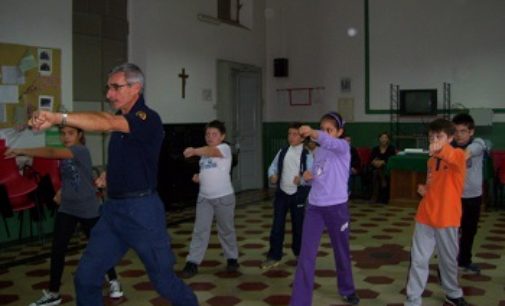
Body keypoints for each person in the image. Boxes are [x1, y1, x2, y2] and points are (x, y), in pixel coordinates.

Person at [27, 63, 198, 306]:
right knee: (86, 278)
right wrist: (110, 174)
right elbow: (129, 153)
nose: (109, 94)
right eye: (108, 88)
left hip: (142, 212)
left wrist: (57, 117)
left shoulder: (146, 117)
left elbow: (106, 122)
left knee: (163, 281)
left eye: (115, 88)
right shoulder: (121, 121)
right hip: (113, 212)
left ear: (135, 88)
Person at [5, 126, 123, 306]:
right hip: (67, 208)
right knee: (57, 250)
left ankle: (113, 281)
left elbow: (51, 151)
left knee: (100, 247)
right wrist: (61, 191)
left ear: (80, 135)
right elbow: (72, 177)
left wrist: (22, 149)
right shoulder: (64, 156)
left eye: (71, 133)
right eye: (63, 133)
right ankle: (53, 293)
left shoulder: (80, 150)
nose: (66, 137)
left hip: (87, 208)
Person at [290, 112, 360, 306]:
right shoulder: (318, 152)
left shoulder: (343, 147)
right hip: (314, 208)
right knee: (306, 255)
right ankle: (299, 302)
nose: (325, 133)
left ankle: (347, 289)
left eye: (330, 130)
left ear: (339, 132)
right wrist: (306, 177)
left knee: (341, 250)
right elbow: (318, 177)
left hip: (337, 207)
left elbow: (330, 142)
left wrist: (313, 132)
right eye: (323, 129)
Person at [405, 118, 468, 306]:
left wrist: (441, 148)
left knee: (448, 261)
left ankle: (453, 293)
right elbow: (435, 184)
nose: (434, 140)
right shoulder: (431, 161)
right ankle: (413, 299)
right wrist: (426, 189)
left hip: (447, 218)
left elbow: (451, 158)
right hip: (425, 216)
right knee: (418, 260)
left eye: (439, 136)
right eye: (431, 136)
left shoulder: (457, 155)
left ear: (450, 138)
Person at [180, 120, 239, 278]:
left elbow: (212, 152)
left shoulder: (224, 148)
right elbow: (211, 169)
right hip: (204, 198)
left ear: (222, 136)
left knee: (226, 230)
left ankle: (232, 258)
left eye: (214, 134)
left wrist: (193, 151)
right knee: (200, 230)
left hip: (223, 197)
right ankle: (192, 262)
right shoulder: (204, 154)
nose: (210, 137)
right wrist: (199, 177)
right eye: (207, 134)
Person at [261, 122, 313, 270]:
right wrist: (272, 176)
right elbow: (273, 167)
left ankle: (300, 254)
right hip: (282, 194)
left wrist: (302, 179)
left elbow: (312, 174)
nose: (291, 137)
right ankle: (274, 255)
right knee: (277, 226)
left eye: (295, 134)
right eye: (289, 133)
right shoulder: (283, 151)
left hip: (298, 195)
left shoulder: (307, 154)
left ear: (302, 138)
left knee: (299, 227)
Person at [451, 113, 487, 274]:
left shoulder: (477, 143)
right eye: (456, 131)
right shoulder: (449, 145)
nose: (459, 134)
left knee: (469, 231)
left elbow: (471, 151)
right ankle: (449, 263)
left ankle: (464, 261)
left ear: (471, 132)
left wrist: (459, 155)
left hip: (473, 197)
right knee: (450, 232)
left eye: (463, 131)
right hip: (453, 197)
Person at [368, 132, 396, 203]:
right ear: (379, 139)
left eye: (385, 138)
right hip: (375, 168)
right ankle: (383, 181)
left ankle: (375, 196)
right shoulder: (375, 149)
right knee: (376, 172)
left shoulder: (391, 149)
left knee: (377, 172)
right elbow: (371, 159)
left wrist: (382, 162)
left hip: (387, 169)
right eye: (382, 138)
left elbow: (390, 159)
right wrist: (375, 162)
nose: (383, 139)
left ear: (388, 140)